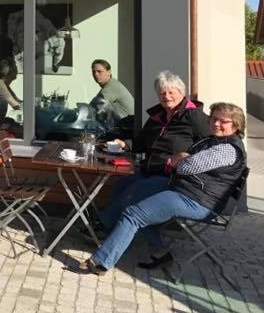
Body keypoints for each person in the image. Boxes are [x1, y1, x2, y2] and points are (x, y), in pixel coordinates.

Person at [69, 102, 246, 274]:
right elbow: (185, 162)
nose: (216, 123)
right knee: (137, 192)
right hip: (183, 188)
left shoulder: (227, 149)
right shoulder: (212, 140)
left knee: (135, 214)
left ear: (236, 125)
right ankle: (160, 253)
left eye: (223, 121)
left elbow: (185, 166)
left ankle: (100, 262)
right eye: (214, 118)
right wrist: (182, 159)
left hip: (198, 200)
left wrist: (181, 159)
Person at [95, 70, 210, 233]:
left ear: (182, 93)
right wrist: (126, 145)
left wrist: (188, 158)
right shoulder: (158, 116)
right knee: (121, 184)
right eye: (162, 93)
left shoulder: (193, 115)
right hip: (151, 168)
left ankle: (104, 227)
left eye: (171, 92)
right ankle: (110, 225)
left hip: (174, 176)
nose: (167, 96)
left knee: (134, 191)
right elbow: (141, 142)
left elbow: (209, 143)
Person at [89, 59, 134, 127]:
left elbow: (94, 107)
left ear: (109, 72)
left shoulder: (112, 86)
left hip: (128, 128)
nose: (96, 74)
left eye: (99, 71)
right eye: (94, 72)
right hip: (125, 125)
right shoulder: (110, 85)